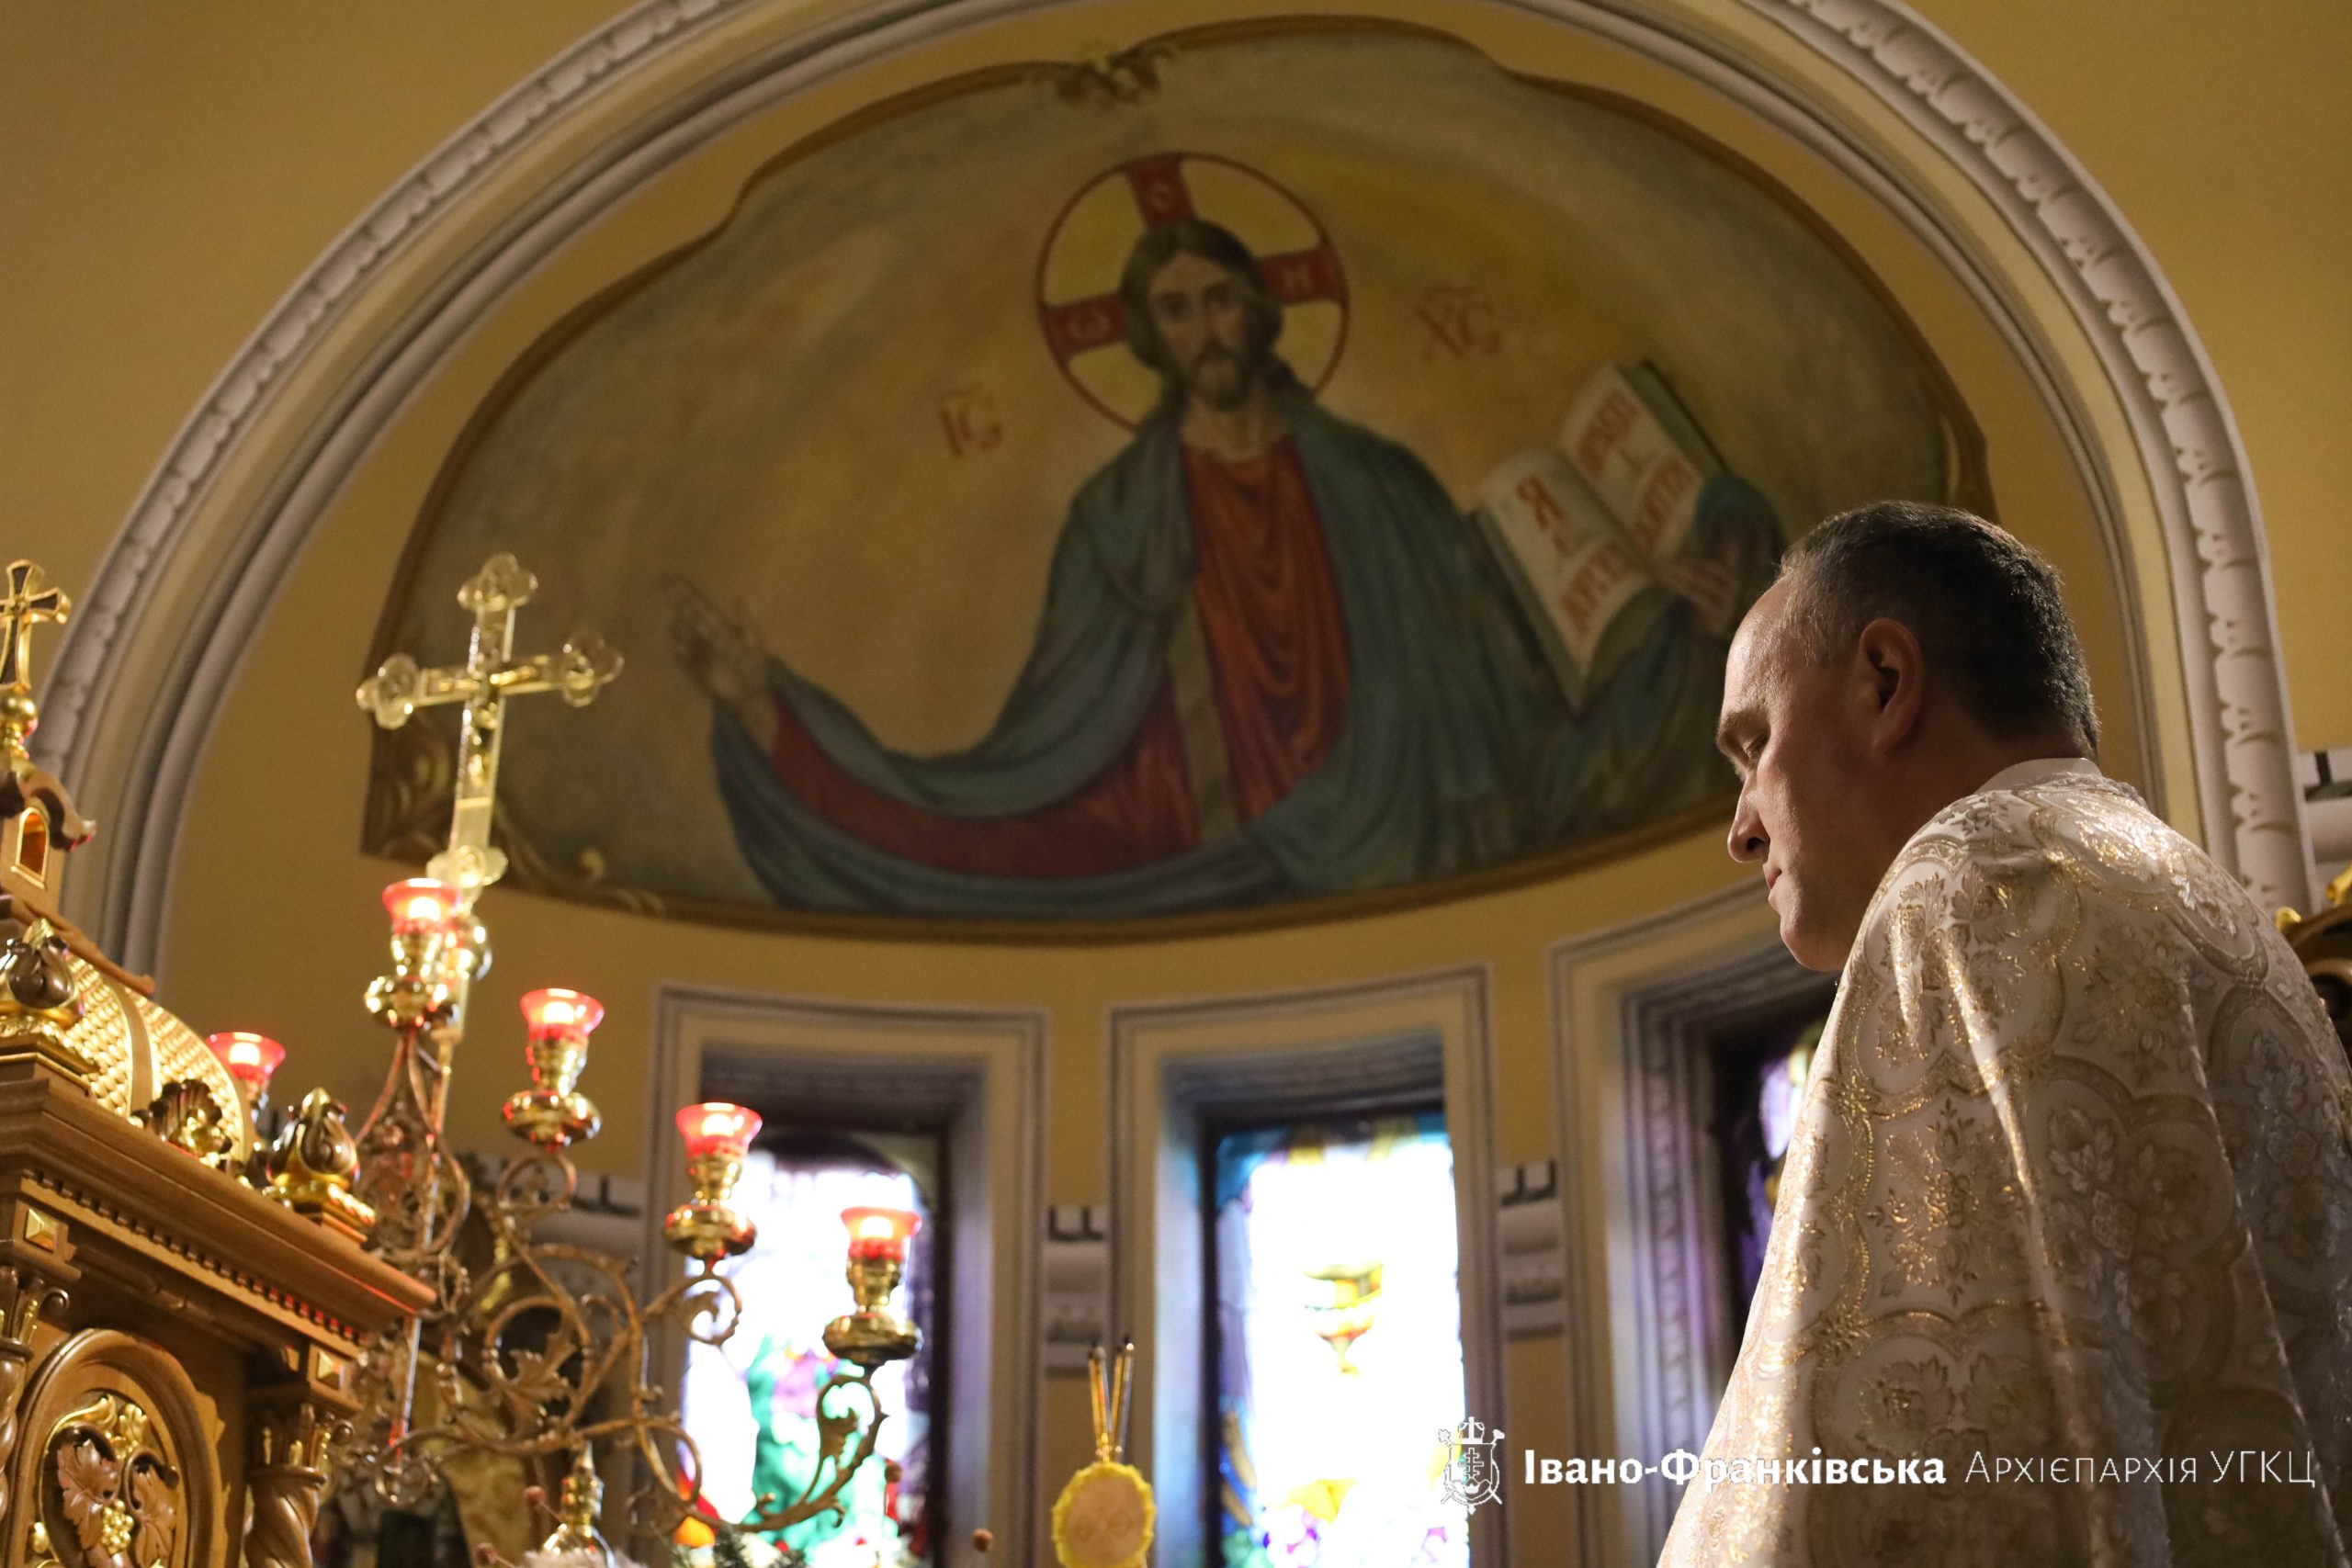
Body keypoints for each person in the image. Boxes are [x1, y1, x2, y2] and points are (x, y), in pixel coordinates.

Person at [669, 218, 1776, 919]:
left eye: (1218, 299)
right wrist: (770, 709)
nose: (1203, 328)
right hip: (1190, 839)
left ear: (1260, 309)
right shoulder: (1117, 515)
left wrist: (1659, 627)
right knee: (984, 837)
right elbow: (1051, 741)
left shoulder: (1378, 480)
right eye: (1175, 309)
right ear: (1147, 338)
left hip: (1408, 815)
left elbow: (1504, 699)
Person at [1663, 501, 2352, 1564]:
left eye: (1754, 745)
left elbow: (1908, 1482)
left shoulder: (1962, 891)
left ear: (1883, 682)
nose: (1740, 829)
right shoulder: (2208, 907)